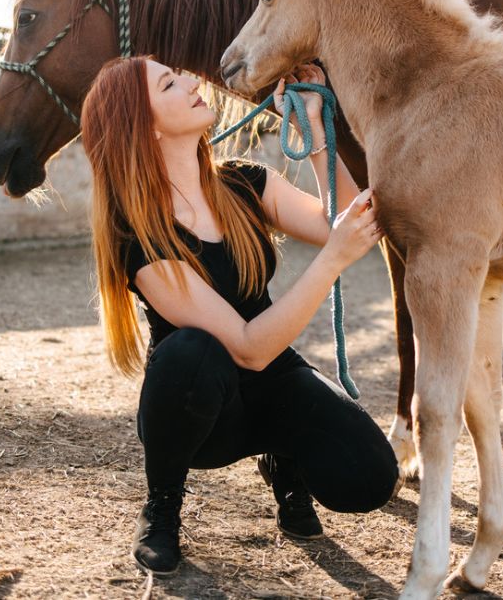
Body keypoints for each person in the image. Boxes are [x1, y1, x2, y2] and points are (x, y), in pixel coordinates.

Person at [80, 56, 399, 576]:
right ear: (146, 126)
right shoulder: (137, 234)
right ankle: (162, 507)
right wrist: (334, 258)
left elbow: (342, 219)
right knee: (190, 349)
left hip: (273, 379)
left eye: (179, 74)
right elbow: (247, 345)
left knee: (370, 478)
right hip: (201, 406)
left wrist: (314, 123)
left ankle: (283, 459)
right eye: (169, 83)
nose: (190, 82)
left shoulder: (246, 182)